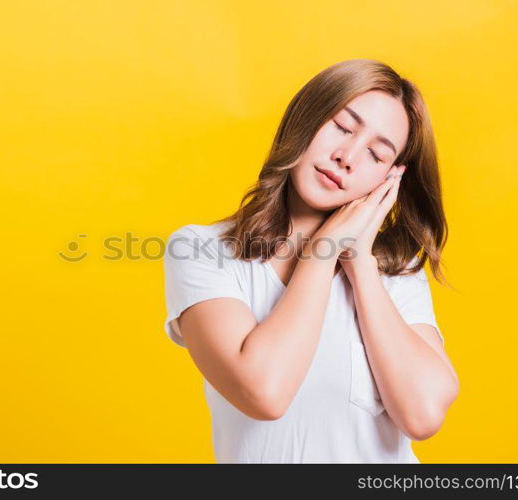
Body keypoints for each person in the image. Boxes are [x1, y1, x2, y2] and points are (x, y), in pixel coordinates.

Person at [162, 59, 459, 463]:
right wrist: (324, 252)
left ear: (389, 179)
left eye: (376, 153)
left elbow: (423, 416)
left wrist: (360, 265)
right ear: (305, 118)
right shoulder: (203, 250)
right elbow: (264, 392)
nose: (348, 156)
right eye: (341, 127)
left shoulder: (395, 271)